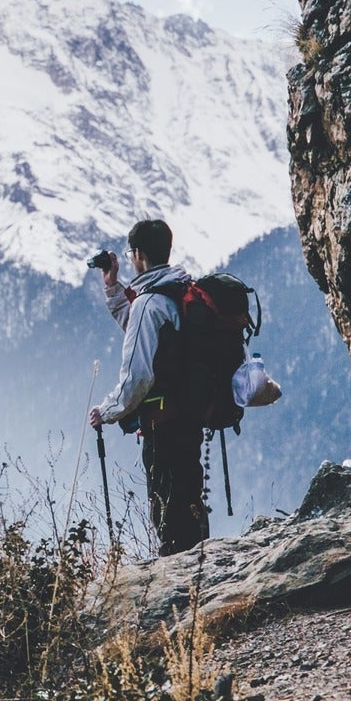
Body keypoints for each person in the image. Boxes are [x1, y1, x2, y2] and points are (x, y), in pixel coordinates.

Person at [88, 218, 207, 555]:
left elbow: (137, 377)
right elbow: (149, 335)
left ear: (137, 254)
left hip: (163, 425)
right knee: (190, 500)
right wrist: (113, 289)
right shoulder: (181, 289)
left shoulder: (149, 303)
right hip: (191, 414)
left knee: (169, 509)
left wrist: (107, 411)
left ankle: (182, 588)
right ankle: (203, 570)